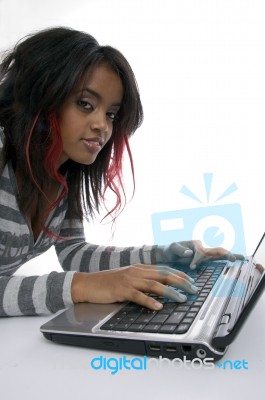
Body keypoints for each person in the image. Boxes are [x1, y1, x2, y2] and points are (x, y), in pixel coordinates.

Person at [0, 27, 242, 317]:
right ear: (41, 95)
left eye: (111, 114)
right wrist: (82, 287)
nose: (102, 125)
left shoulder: (64, 176)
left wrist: (163, 256)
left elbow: (73, 253)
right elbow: (79, 278)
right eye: (85, 104)